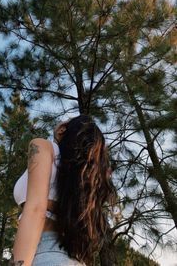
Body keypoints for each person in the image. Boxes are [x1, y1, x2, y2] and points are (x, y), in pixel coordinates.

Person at [10, 114, 116, 266]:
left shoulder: (43, 147)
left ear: (62, 129)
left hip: (44, 253)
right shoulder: (83, 180)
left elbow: (35, 210)